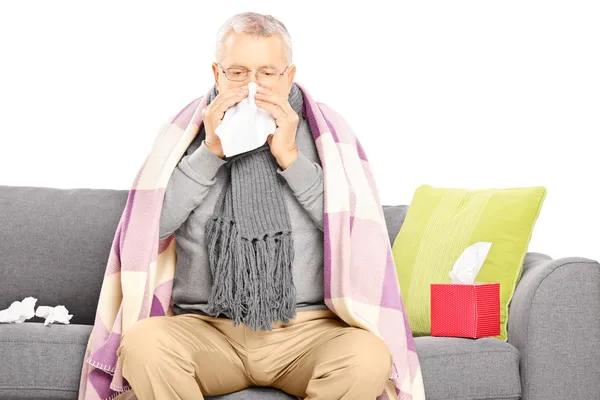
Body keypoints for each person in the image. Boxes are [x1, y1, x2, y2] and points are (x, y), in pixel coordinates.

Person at [116, 11, 392, 400]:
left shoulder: (328, 137)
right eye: (237, 72)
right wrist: (210, 153)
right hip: (207, 329)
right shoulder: (185, 138)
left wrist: (292, 159)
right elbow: (146, 232)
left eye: (267, 73)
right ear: (216, 73)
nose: (251, 86)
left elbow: (355, 238)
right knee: (143, 345)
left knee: (368, 357)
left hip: (307, 330)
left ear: (289, 76)